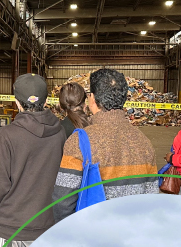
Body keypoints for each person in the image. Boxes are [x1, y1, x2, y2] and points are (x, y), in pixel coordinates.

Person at [0, 73, 66, 247]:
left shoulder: (7, 135)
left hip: (13, 228)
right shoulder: (60, 134)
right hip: (47, 225)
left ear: (16, 103)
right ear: (46, 101)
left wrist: (0, 216)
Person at [52, 68, 158, 222]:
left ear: (92, 99)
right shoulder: (145, 143)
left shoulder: (79, 141)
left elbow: (62, 201)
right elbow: (151, 198)